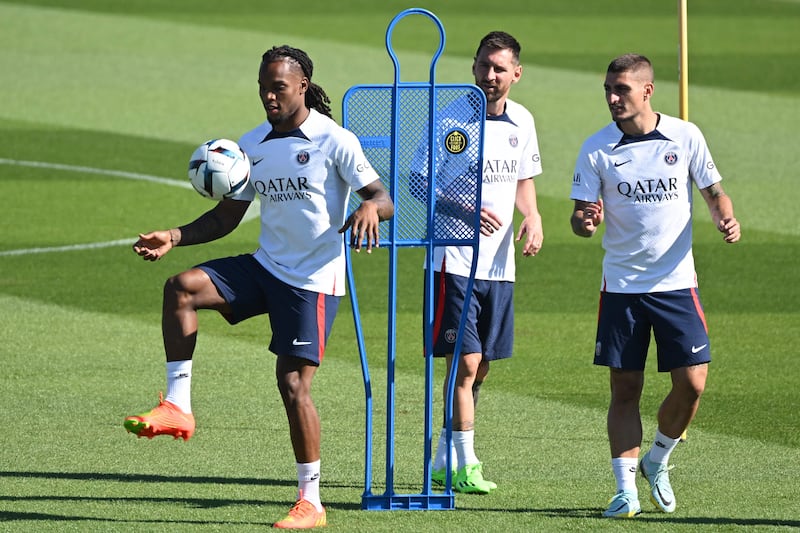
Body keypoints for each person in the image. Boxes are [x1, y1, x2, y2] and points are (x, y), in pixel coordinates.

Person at [123, 45, 394, 529]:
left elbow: (381, 195)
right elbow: (229, 216)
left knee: (292, 384)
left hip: (312, 282)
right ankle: (178, 406)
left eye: (279, 87)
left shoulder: (335, 140)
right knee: (181, 288)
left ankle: (310, 501)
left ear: (303, 86)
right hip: (266, 266)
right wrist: (175, 236)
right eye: (263, 87)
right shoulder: (251, 145)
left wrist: (371, 208)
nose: (269, 95)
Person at [569, 53, 740, 518]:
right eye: (607, 88)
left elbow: (713, 191)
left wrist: (724, 215)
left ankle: (657, 460)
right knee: (625, 389)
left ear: (647, 90)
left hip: (676, 283)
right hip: (622, 286)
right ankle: (625, 492)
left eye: (621, 89)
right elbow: (580, 219)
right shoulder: (596, 147)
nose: (611, 97)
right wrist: (585, 221)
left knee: (693, 382)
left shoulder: (686, 135)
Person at [423, 31, 544, 494]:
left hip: (499, 264)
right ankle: (467, 464)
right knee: (466, 363)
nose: (489, 76)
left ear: (516, 73)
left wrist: (532, 216)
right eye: (483, 66)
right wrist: (462, 210)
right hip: (452, 261)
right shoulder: (451, 119)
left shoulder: (522, 121)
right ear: (472, 67)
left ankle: (442, 458)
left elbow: (522, 180)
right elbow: (420, 183)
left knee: (482, 367)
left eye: (499, 68)